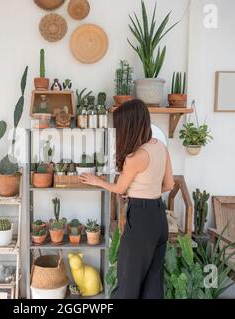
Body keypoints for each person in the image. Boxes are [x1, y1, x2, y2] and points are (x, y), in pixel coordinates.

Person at [79, 99, 175, 299]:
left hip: (140, 219)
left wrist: (97, 181)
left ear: (128, 126)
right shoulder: (160, 147)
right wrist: (143, 189)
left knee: (128, 282)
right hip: (159, 218)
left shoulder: (135, 157)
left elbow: (119, 188)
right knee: (153, 283)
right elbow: (168, 185)